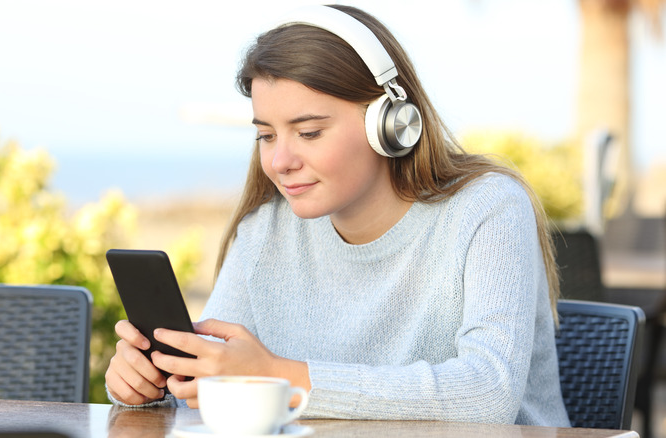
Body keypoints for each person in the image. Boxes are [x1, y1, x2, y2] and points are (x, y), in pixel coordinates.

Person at [105, 4, 570, 426]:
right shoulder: (264, 232)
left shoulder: (487, 208)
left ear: (391, 124)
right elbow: (216, 392)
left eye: (308, 132)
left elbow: (487, 396)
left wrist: (280, 377)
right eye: (266, 135)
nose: (279, 161)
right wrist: (152, 388)